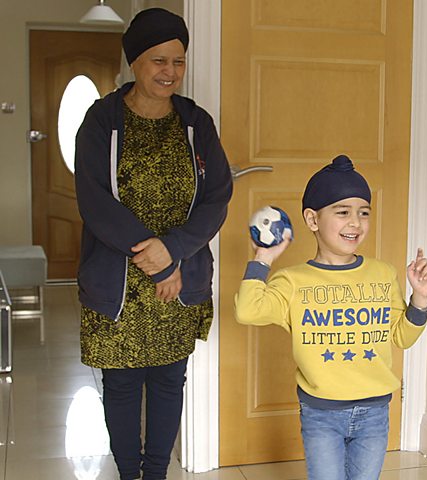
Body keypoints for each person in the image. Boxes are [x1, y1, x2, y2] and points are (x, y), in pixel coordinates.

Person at [74, 8, 232, 480]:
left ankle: (157, 473)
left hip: (178, 280)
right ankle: (129, 474)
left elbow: (217, 196)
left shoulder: (195, 122)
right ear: (135, 62)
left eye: (178, 62)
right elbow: (94, 200)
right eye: (158, 60)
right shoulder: (102, 120)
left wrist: (175, 250)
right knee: (121, 386)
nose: (169, 72)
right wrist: (156, 258)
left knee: (168, 381)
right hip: (119, 283)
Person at [234, 154, 427, 480]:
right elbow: (247, 310)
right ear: (312, 219)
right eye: (343, 212)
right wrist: (264, 258)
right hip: (321, 413)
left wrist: (420, 298)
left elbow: (402, 337)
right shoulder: (293, 281)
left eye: (363, 213)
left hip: (374, 410)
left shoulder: (382, 273)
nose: (355, 222)